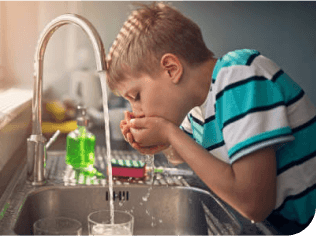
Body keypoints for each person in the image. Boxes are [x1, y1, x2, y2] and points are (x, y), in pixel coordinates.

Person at [105, 2, 316, 234]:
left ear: (171, 69)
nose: (135, 111)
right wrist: (159, 143)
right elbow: (179, 154)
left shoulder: (238, 76)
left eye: (136, 96)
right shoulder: (198, 107)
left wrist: (168, 132)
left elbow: (254, 205)